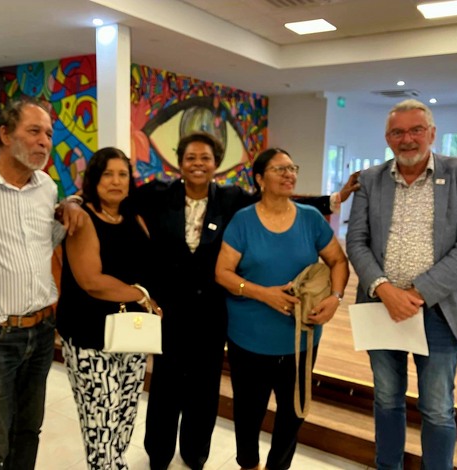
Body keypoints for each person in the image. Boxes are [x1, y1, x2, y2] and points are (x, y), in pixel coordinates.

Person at [137, 132, 356, 470]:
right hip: (169, 312)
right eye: (191, 157)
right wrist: (75, 202)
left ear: (216, 164)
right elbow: (115, 200)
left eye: (205, 158)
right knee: (165, 386)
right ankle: (159, 455)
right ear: (179, 162)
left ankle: (195, 454)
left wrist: (333, 199)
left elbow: (279, 200)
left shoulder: (231, 199)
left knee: (204, 390)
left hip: (212, 313)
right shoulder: (157, 194)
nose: (198, 164)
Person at [346, 99, 457, 470]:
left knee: (437, 408)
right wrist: (384, 289)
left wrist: (416, 293)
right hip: (380, 308)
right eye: (397, 132)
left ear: (432, 133)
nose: (407, 139)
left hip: (441, 310)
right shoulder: (370, 179)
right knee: (386, 398)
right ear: (387, 138)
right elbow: (356, 241)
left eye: (416, 130)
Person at [0, 99, 81, 469]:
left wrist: (72, 202)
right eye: (34, 131)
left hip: (41, 332)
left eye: (49, 134)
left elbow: (46, 242)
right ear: (6, 135)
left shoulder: (46, 187)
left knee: (28, 430)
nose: (44, 141)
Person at [215, 147, 349, 470]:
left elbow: (338, 261)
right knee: (249, 412)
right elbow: (223, 273)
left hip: (300, 339)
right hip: (249, 339)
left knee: (292, 414)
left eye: (292, 168)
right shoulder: (243, 221)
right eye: (280, 169)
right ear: (260, 179)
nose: (289, 174)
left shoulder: (310, 218)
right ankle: (249, 464)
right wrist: (263, 294)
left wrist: (335, 297)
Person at [56, 147, 160, 469]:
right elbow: (92, 281)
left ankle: (116, 462)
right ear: (94, 179)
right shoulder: (83, 218)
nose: (116, 181)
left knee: (125, 415)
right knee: (101, 422)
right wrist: (141, 295)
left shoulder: (133, 216)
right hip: (90, 337)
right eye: (108, 174)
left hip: (131, 334)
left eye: (122, 174)